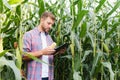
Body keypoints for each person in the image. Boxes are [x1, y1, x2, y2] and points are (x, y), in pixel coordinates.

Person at [23, 11, 60, 80]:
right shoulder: (29, 35)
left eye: (52, 24)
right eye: (48, 23)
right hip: (35, 76)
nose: (50, 26)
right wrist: (42, 52)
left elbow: (49, 54)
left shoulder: (49, 38)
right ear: (42, 20)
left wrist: (57, 52)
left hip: (49, 76)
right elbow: (24, 56)